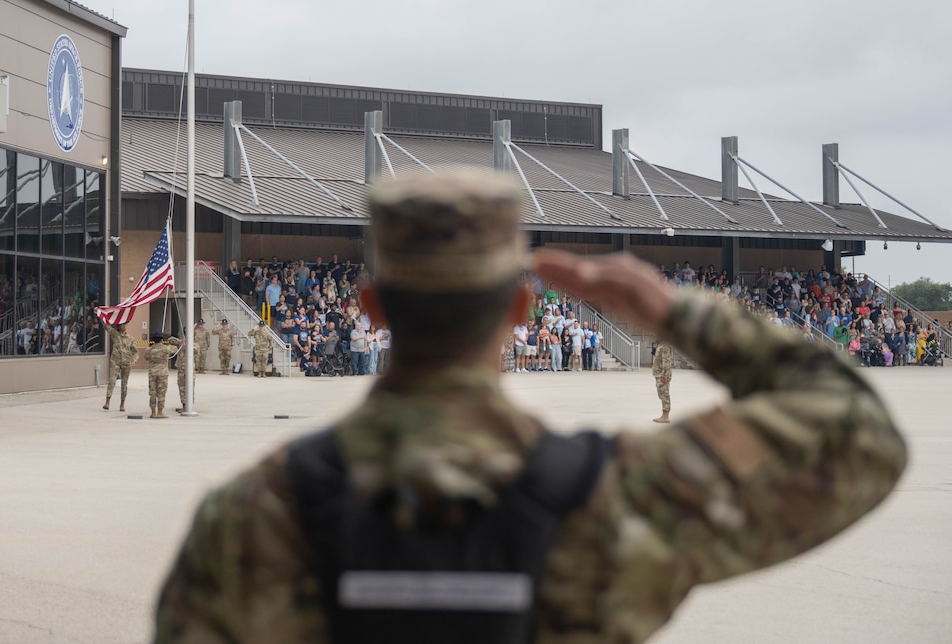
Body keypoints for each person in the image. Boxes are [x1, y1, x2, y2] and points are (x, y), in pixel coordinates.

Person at [155, 168, 906, 644]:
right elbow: (856, 429)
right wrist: (675, 310)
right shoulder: (621, 497)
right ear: (521, 308)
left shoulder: (252, 516)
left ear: (372, 307)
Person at [145, 331, 180, 419]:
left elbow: (146, 358)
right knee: (161, 393)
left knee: (152, 392)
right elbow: (176, 347)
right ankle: (160, 412)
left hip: (152, 373)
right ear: (161, 339)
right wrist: (170, 339)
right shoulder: (166, 349)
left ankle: (153, 412)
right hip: (162, 373)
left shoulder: (149, 350)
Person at [103, 322, 137, 412]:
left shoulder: (130, 338)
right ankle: (107, 402)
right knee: (112, 381)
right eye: (122, 325)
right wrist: (100, 315)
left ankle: (122, 404)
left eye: (125, 325)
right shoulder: (115, 334)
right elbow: (106, 326)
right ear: (119, 326)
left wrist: (134, 360)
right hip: (116, 361)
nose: (124, 326)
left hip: (126, 363)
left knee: (124, 384)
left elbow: (135, 351)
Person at [651, 339, 674, 423]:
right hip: (659, 374)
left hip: (662, 375)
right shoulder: (661, 345)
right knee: (661, 394)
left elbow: (666, 361)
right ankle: (664, 414)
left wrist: (665, 375)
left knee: (664, 395)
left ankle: (665, 416)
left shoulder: (665, 346)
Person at [174, 332, 197, 415]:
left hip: (189, 370)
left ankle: (189, 406)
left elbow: (196, 351)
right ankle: (183, 405)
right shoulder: (180, 342)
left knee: (190, 388)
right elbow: (171, 340)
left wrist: (186, 345)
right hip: (181, 369)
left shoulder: (194, 344)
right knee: (181, 388)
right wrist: (181, 341)